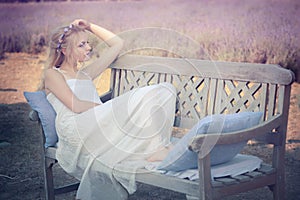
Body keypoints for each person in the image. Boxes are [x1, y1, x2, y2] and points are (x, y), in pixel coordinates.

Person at [40, 19, 176, 200]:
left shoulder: (85, 74)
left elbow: (117, 44)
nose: (88, 48)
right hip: (76, 128)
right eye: (81, 45)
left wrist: (89, 26)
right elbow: (76, 105)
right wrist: (109, 110)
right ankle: (154, 149)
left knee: (164, 90)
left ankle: (154, 147)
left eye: (88, 42)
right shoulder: (52, 74)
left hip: (96, 123)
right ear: (65, 50)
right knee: (141, 97)